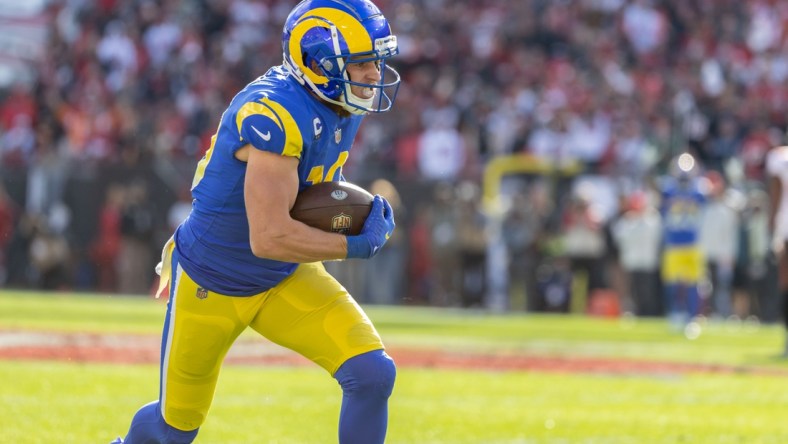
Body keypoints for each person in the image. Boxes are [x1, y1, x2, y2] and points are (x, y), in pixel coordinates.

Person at [112, 0, 401, 442]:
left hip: (282, 278)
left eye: (376, 62)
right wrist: (352, 244)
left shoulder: (337, 102)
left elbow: (309, 197)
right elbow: (269, 236)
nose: (374, 75)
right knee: (175, 428)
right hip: (215, 280)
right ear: (318, 60)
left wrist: (350, 214)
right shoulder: (274, 112)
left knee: (372, 374)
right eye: (361, 63)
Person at [658, 152, 707, 333]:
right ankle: (675, 313)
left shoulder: (699, 189)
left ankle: (692, 317)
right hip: (673, 244)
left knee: (693, 283)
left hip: (692, 243)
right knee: (673, 283)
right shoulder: (668, 188)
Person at [766, 143, 788, 357]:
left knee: (785, 282)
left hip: (786, 227)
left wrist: (771, 224)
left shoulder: (780, 157)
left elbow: (776, 193)